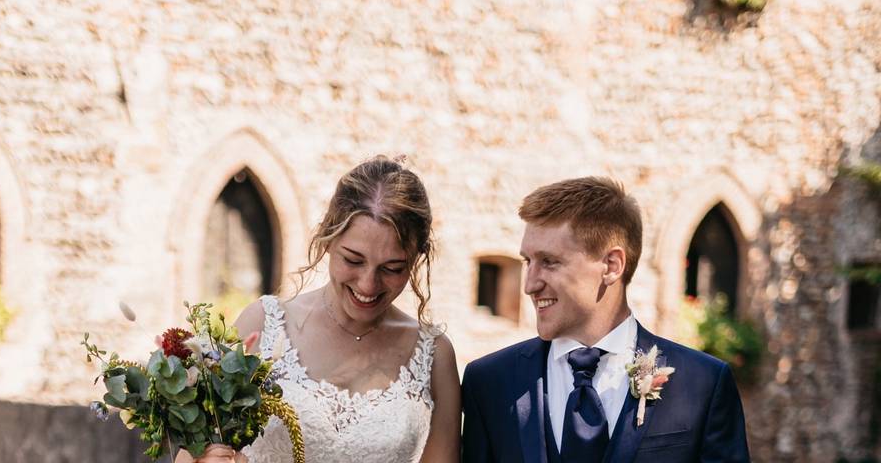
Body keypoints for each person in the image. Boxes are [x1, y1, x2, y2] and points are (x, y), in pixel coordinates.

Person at [184, 155, 461, 463]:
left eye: (393, 268)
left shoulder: (435, 357)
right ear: (328, 238)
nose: (368, 285)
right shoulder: (262, 324)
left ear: (416, 260)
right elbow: (189, 454)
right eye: (353, 260)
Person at [461, 177, 750, 463]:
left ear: (612, 266)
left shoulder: (703, 385)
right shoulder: (488, 384)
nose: (529, 285)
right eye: (528, 262)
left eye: (549, 262)